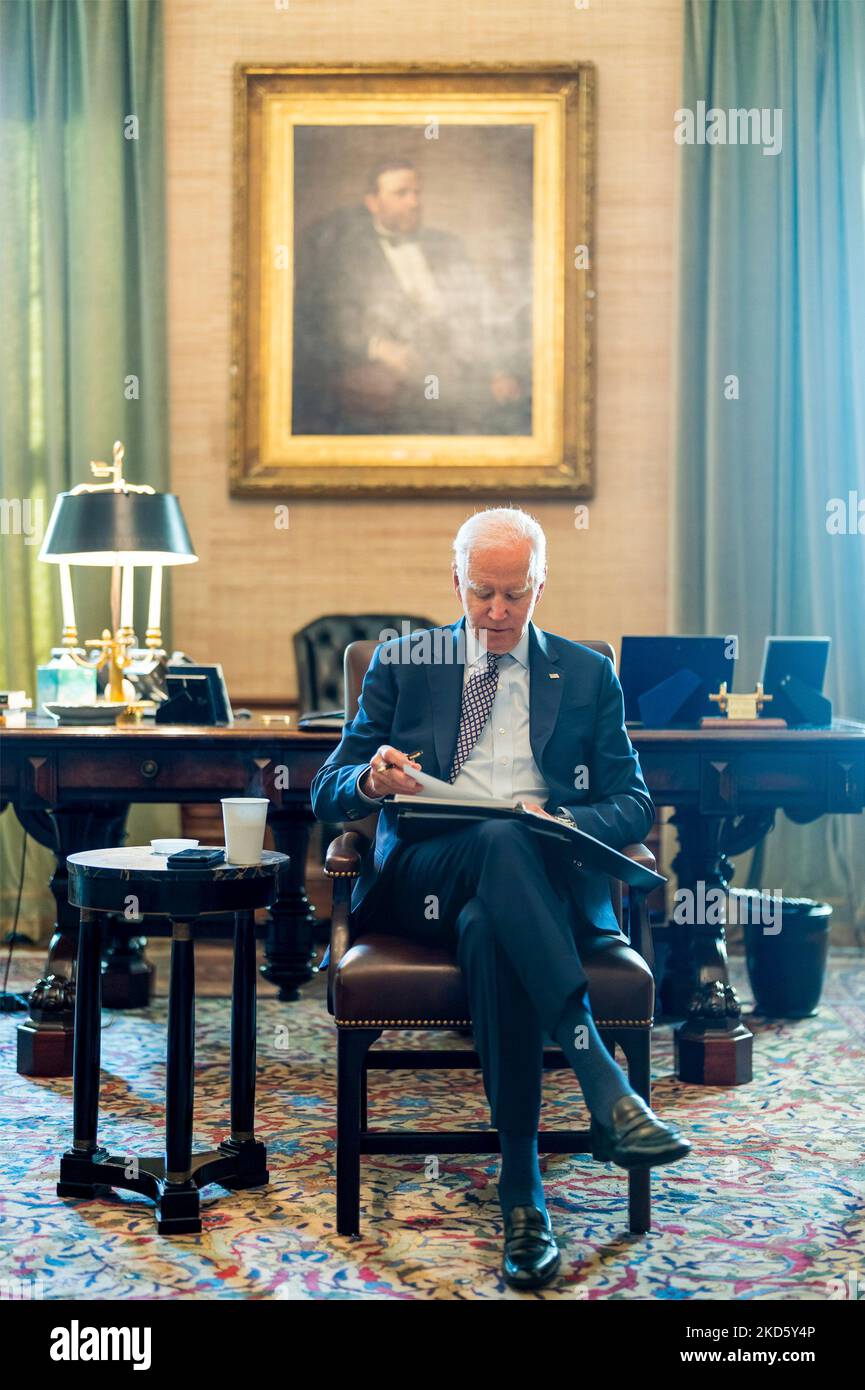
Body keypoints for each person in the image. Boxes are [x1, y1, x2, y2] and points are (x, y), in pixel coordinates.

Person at [311, 507, 689, 1290]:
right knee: (493, 840)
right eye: (482, 592)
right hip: (425, 877)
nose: (496, 612)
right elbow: (327, 789)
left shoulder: (586, 673)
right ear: (455, 582)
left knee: (497, 909)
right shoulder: (403, 662)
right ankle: (600, 1083)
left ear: (540, 585)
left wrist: (562, 818)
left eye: (514, 595)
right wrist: (369, 781)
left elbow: (630, 803)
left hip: (535, 885)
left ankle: (522, 1193)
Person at [292, 158, 529, 435]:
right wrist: (377, 346)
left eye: (417, 193)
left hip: (465, 369)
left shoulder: (448, 245)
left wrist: (498, 370)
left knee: (515, 419)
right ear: (373, 202)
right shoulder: (345, 255)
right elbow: (329, 323)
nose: (414, 202)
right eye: (401, 194)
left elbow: (483, 311)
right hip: (402, 377)